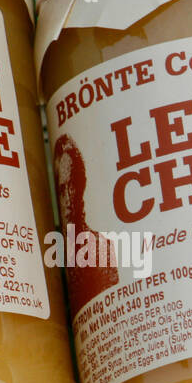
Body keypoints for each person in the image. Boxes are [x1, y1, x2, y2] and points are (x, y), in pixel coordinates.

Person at [52, 134, 120, 313]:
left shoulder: (99, 249)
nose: (68, 196)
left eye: (72, 185)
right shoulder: (53, 254)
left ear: (81, 186)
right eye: (61, 189)